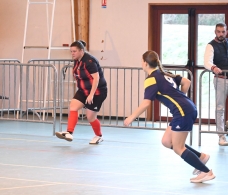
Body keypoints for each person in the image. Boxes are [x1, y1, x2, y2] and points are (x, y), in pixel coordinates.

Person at [124, 50, 215, 183]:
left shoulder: (151, 79)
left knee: (178, 147)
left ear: (145, 63)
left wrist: (131, 117)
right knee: (167, 141)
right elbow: (187, 82)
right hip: (186, 108)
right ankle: (201, 157)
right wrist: (180, 99)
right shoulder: (164, 74)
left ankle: (206, 172)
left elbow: (146, 103)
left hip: (183, 111)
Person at [55, 40, 107, 144]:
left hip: (97, 91)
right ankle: (69, 132)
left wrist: (91, 95)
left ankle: (99, 136)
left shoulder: (89, 61)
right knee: (73, 106)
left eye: (74, 51)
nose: (72, 53)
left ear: (81, 51)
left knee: (90, 116)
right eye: (71, 51)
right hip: (83, 90)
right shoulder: (77, 60)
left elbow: (96, 78)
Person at [204, 22, 228, 146]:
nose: (221, 34)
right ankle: (221, 136)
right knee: (220, 108)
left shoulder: (227, 43)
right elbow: (206, 62)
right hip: (220, 79)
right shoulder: (211, 45)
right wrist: (213, 67)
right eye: (218, 31)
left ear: (226, 32)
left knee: (221, 108)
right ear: (215, 32)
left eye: (223, 32)